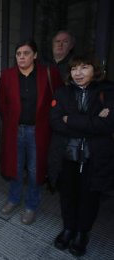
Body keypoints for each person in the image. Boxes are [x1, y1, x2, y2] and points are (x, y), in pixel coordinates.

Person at [48, 54, 114, 257]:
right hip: (67, 156)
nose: (78, 73)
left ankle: (82, 233)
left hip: (94, 158)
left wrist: (72, 120)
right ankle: (68, 228)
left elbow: (108, 124)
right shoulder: (61, 92)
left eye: (84, 68)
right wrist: (91, 123)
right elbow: (56, 122)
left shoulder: (107, 92)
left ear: (94, 70)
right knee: (67, 196)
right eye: (74, 68)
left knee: (89, 198)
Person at [0, 40, 63, 225]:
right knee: (15, 167)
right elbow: (2, 103)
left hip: (39, 131)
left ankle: (31, 206)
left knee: (36, 170)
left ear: (34, 55)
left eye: (26, 53)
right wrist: (10, 123)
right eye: (18, 54)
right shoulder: (8, 75)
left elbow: (59, 99)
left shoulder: (49, 73)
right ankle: (14, 198)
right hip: (15, 130)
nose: (21, 57)